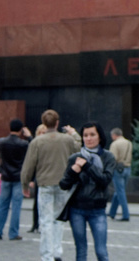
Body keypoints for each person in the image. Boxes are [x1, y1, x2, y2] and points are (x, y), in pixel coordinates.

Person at [21, 109, 80, 261]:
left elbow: (28, 166)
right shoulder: (66, 140)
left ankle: (47, 256)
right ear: (57, 122)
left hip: (45, 184)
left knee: (45, 221)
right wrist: (73, 133)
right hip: (62, 184)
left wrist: (25, 184)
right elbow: (79, 148)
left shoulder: (37, 142)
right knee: (58, 219)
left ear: (44, 123)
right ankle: (57, 251)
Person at [59, 122, 116, 261]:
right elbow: (64, 184)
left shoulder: (108, 157)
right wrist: (74, 171)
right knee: (81, 251)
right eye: (85, 135)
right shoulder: (75, 158)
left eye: (92, 135)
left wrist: (87, 166)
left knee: (101, 252)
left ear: (100, 137)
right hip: (77, 209)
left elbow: (104, 180)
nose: (88, 138)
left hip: (98, 210)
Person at [0, 119, 32, 241]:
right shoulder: (23, 144)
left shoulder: (1, 142)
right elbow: (34, 147)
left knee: (2, 206)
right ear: (21, 130)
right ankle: (13, 233)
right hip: (18, 177)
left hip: (5, 177)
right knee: (16, 206)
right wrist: (29, 136)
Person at [107, 127, 133, 221]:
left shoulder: (115, 144)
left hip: (118, 170)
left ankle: (126, 214)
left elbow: (112, 158)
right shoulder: (129, 143)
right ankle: (112, 212)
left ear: (114, 135)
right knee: (118, 191)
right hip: (127, 168)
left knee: (120, 192)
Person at [27, 123, 48, 234]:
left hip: (48, 177)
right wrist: (30, 179)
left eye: (44, 132)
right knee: (37, 203)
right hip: (38, 177)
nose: (43, 135)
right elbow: (31, 164)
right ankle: (35, 224)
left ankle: (43, 224)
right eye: (41, 133)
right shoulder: (35, 145)